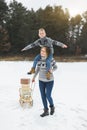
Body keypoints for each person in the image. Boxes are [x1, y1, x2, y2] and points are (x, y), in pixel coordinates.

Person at [32, 46, 57, 117]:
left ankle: (52, 107)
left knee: (48, 95)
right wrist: (34, 77)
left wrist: (51, 70)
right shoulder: (39, 59)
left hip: (49, 81)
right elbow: (37, 69)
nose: (41, 52)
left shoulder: (51, 59)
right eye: (41, 51)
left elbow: (56, 67)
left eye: (43, 51)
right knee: (43, 96)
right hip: (41, 81)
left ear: (47, 52)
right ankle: (46, 110)